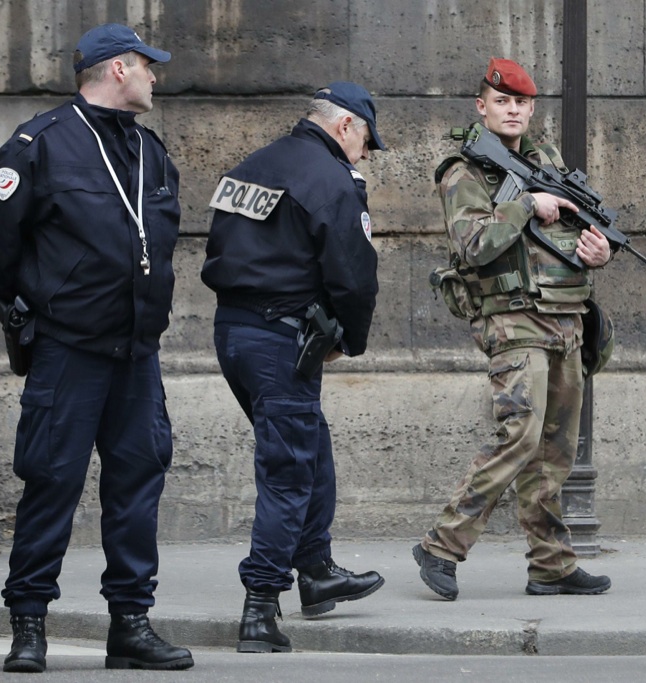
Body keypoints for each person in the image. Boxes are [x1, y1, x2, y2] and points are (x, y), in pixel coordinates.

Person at [0, 24, 192, 672]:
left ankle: (130, 624)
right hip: (69, 350)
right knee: (52, 482)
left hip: (136, 355)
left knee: (136, 486)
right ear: (118, 69)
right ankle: (29, 622)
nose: (156, 76)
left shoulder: (152, 150)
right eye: (148, 66)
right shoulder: (40, 145)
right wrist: (23, 312)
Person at [413, 57, 614, 600]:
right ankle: (441, 544)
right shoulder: (465, 171)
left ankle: (551, 565)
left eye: (522, 103)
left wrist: (596, 251)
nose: (513, 110)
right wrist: (527, 204)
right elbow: (474, 246)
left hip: (565, 319)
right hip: (513, 320)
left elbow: (569, 237)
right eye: (502, 101)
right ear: (482, 107)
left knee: (555, 450)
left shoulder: (547, 161)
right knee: (519, 436)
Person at [201, 82, 386, 653]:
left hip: (234, 332)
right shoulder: (330, 179)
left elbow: (222, 245)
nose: (365, 154)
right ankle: (260, 608)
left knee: (310, 446)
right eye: (365, 142)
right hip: (282, 340)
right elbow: (354, 276)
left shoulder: (253, 165)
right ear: (344, 127)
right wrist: (349, 341)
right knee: (287, 471)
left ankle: (316, 570)